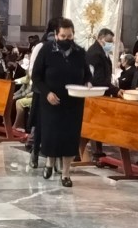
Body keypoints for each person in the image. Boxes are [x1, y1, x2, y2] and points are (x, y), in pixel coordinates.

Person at [30, 17, 92, 188]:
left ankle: (66, 173)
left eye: (69, 36)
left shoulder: (80, 52)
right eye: (63, 36)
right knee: (52, 136)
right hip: (51, 101)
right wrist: (47, 92)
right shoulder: (46, 50)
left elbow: (87, 73)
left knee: (69, 138)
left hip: (73, 102)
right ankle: (49, 163)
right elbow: (36, 76)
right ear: (56, 35)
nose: (66, 40)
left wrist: (88, 83)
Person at [86, 27, 118, 96]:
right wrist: (115, 90)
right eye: (109, 41)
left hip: (103, 90)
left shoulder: (101, 51)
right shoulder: (95, 53)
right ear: (101, 38)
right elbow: (98, 79)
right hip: (97, 93)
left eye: (112, 42)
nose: (111, 44)